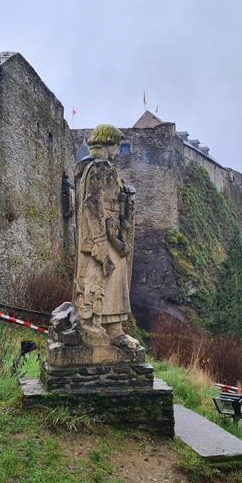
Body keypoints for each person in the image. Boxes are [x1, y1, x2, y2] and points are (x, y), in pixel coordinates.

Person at [73, 124, 140, 350]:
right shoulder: (100, 168)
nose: (116, 150)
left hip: (110, 232)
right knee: (100, 281)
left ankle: (115, 330)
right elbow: (92, 203)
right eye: (115, 145)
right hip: (103, 233)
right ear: (107, 143)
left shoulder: (96, 167)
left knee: (114, 281)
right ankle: (94, 327)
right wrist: (101, 240)